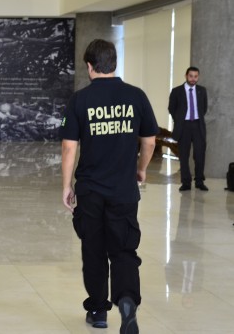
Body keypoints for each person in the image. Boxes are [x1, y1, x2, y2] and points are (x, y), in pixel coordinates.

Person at [60, 39, 158, 334]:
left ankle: (99, 311)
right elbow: (150, 141)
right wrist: (140, 170)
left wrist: (67, 185)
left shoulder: (80, 100)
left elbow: (68, 148)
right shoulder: (136, 96)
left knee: (94, 250)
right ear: (114, 63)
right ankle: (127, 303)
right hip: (124, 191)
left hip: (90, 191)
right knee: (125, 250)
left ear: (89, 66)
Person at [168, 67, 209, 191]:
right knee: (184, 155)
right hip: (183, 126)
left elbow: (204, 108)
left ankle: (199, 181)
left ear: (198, 77)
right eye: (191, 76)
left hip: (198, 126)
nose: (193, 79)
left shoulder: (202, 91)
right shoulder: (176, 91)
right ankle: (186, 182)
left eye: (195, 76)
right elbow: (171, 108)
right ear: (186, 76)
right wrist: (180, 119)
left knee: (199, 155)